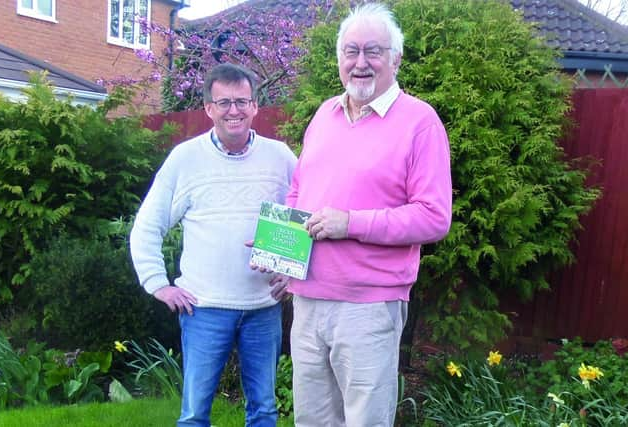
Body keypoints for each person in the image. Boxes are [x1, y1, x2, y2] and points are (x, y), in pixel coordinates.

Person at [286, 3, 453, 426]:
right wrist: (278, 245)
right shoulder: (324, 115)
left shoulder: (420, 122)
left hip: (368, 307)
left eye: (373, 51)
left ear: (396, 59)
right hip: (307, 301)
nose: (361, 63)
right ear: (339, 58)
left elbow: (434, 217)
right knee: (312, 421)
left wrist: (351, 223)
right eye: (351, 51)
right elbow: (298, 191)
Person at [129, 63, 297, 427]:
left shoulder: (280, 157)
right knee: (193, 414)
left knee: (265, 411)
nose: (233, 111)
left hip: (263, 307)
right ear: (208, 108)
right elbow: (147, 225)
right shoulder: (185, 159)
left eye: (241, 101)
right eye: (223, 103)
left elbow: (302, 216)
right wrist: (157, 283)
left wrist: (290, 271)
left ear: (255, 106)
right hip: (203, 309)